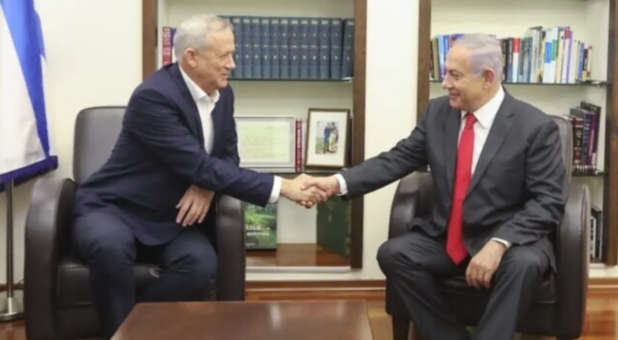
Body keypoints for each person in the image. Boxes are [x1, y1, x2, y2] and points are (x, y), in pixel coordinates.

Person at [72, 14, 324, 338]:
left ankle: (136, 327)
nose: (232, 64)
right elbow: (201, 165)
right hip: (115, 207)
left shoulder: (224, 95)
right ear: (192, 57)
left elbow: (228, 157)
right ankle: (117, 333)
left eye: (233, 54)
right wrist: (284, 186)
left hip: (172, 216)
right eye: (224, 56)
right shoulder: (154, 97)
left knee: (201, 264)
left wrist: (206, 187)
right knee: (109, 247)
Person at [304, 34, 567, 340]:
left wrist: (498, 243)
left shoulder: (534, 127)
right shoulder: (438, 113)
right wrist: (336, 182)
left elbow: (547, 201)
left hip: (511, 239)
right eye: (445, 73)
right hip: (449, 237)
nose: (445, 83)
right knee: (394, 253)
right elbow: (396, 160)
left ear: (487, 78)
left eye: (455, 75)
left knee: (524, 264)